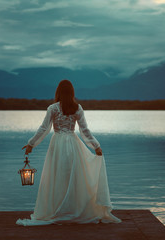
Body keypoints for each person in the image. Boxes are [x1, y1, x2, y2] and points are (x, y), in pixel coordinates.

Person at [16, 80, 121, 226]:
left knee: (58, 178)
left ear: (58, 92)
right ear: (72, 93)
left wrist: (31, 144)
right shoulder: (77, 108)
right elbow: (85, 131)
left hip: (57, 144)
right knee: (73, 178)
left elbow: (44, 128)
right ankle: (71, 210)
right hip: (73, 144)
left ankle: (60, 210)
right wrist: (96, 146)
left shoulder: (52, 108)